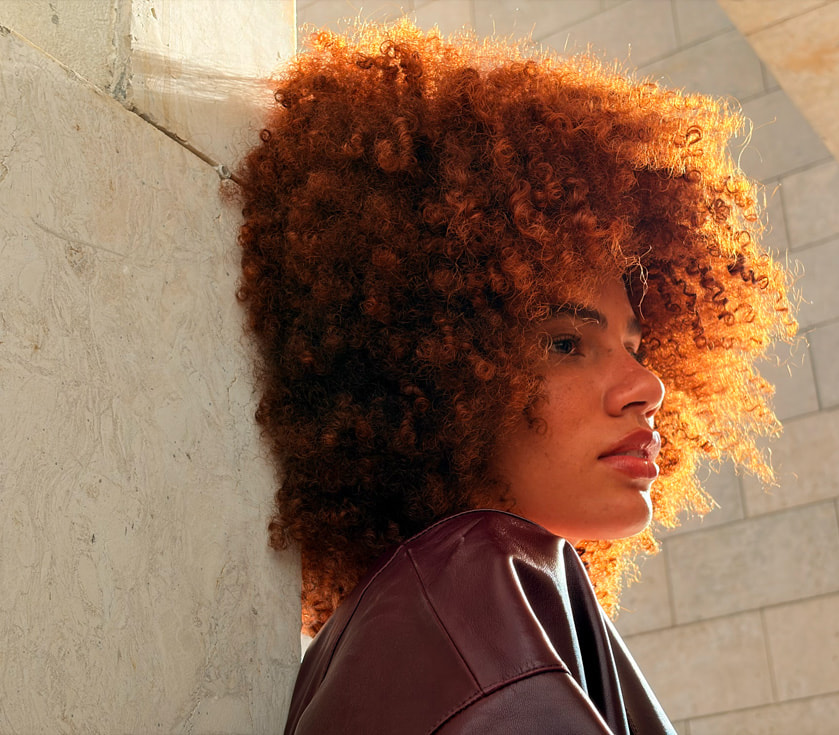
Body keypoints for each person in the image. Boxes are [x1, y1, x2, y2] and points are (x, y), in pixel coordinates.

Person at [235, 20, 794, 734]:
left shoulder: (410, 615)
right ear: (433, 369)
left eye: (635, 343)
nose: (647, 386)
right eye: (567, 342)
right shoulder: (478, 585)